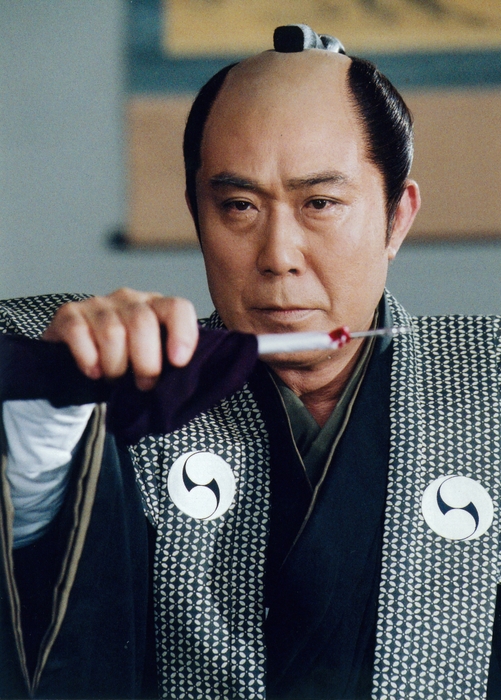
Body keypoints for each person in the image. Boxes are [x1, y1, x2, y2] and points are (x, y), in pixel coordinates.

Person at [1, 23, 500, 700]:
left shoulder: (489, 380)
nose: (277, 255)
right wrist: (51, 403)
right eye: (238, 206)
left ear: (396, 216)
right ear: (196, 213)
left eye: (320, 203)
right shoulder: (124, 378)